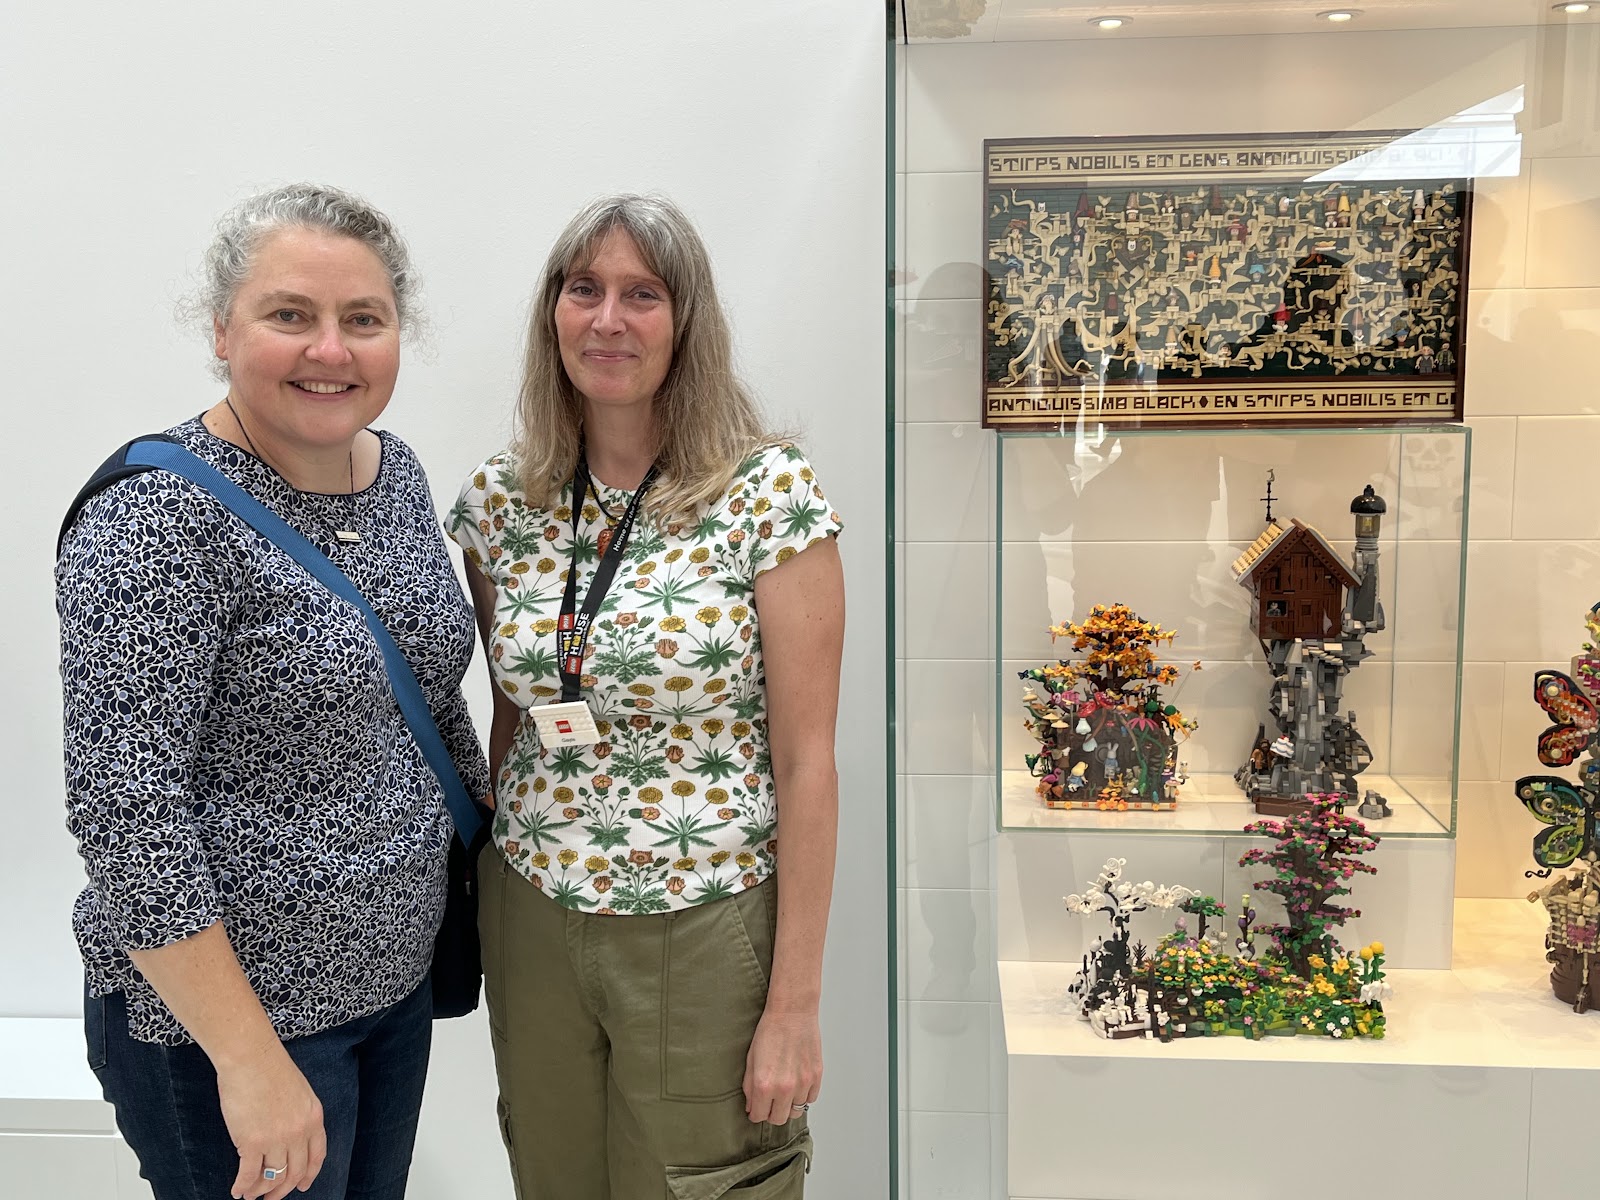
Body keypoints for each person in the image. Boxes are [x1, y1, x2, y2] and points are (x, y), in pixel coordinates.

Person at [56, 183, 490, 1200]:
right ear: (221, 328)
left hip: (390, 990)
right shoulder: (158, 520)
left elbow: (428, 696)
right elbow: (128, 817)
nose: (329, 350)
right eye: (289, 314)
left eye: (362, 320)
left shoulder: (395, 475)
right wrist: (248, 1063)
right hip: (231, 1028)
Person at [450, 193, 844, 1198]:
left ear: (686, 322)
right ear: (554, 313)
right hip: (534, 911)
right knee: (552, 1174)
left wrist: (793, 1005)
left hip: (701, 919)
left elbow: (807, 763)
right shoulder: (503, 501)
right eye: (584, 290)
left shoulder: (765, 494)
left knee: (702, 1181)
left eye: (641, 295)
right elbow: (513, 715)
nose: (608, 320)